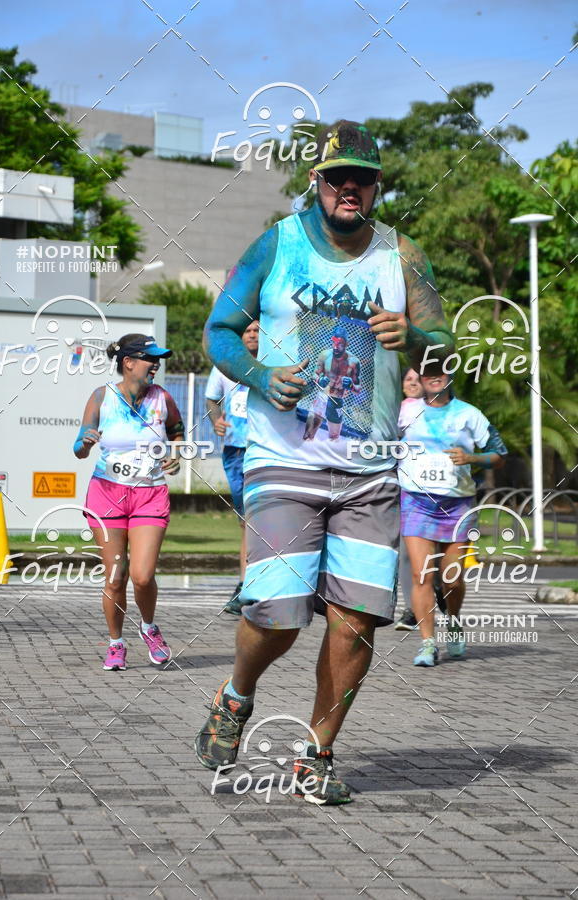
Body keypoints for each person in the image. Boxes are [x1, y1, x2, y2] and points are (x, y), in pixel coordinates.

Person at [194, 120, 454, 804]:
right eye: (338, 177)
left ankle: (317, 755)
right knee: (278, 612)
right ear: (317, 181)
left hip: (370, 470)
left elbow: (444, 344)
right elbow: (219, 327)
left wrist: (419, 334)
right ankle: (235, 695)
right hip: (284, 459)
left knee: (357, 623)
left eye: (362, 179)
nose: (349, 188)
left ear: (376, 187)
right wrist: (254, 372)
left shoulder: (403, 255)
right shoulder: (275, 244)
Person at [73, 334, 185, 671]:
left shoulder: (162, 398)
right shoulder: (101, 397)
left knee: (142, 575)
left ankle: (149, 628)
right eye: (151, 358)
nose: (157, 365)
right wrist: (86, 442)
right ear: (129, 362)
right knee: (116, 576)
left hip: (149, 493)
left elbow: (178, 434)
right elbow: (78, 447)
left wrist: (176, 455)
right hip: (106, 493)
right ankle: (115, 644)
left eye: (159, 359)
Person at [398, 368, 507, 666]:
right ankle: (427, 644)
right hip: (415, 500)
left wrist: (472, 458)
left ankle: (454, 621)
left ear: (450, 377)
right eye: (427, 372)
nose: (434, 377)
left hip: (457, 504)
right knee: (421, 575)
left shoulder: (469, 414)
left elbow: (498, 454)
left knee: (452, 578)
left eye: (440, 372)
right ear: (419, 379)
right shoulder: (405, 410)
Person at [205, 321, 260, 614]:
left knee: (256, 519)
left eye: (258, 330)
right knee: (245, 521)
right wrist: (216, 420)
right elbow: (212, 398)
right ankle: (245, 585)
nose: (253, 334)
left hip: (265, 450)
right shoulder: (227, 364)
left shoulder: (273, 364)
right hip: (236, 451)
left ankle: (249, 584)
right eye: (248, 330)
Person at [394, 368, 424, 631]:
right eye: (409, 379)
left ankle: (442, 599)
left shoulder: (438, 410)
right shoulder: (394, 410)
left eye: (418, 380)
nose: (413, 383)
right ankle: (411, 609)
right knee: (405, 554)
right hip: (406, 488)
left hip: (438, 492)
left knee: (433, 556)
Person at [303, 324, 362, 441]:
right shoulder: (324, 355)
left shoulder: (354, 362)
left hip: (337, 400)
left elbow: (358, 389)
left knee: (334, 438)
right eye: (334, 343)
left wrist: (351, 386)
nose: (335, 347)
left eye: (339, 344)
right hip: (322, 397)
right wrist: (319, 380)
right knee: (308, 435)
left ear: (346, 344)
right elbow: (314, 374)